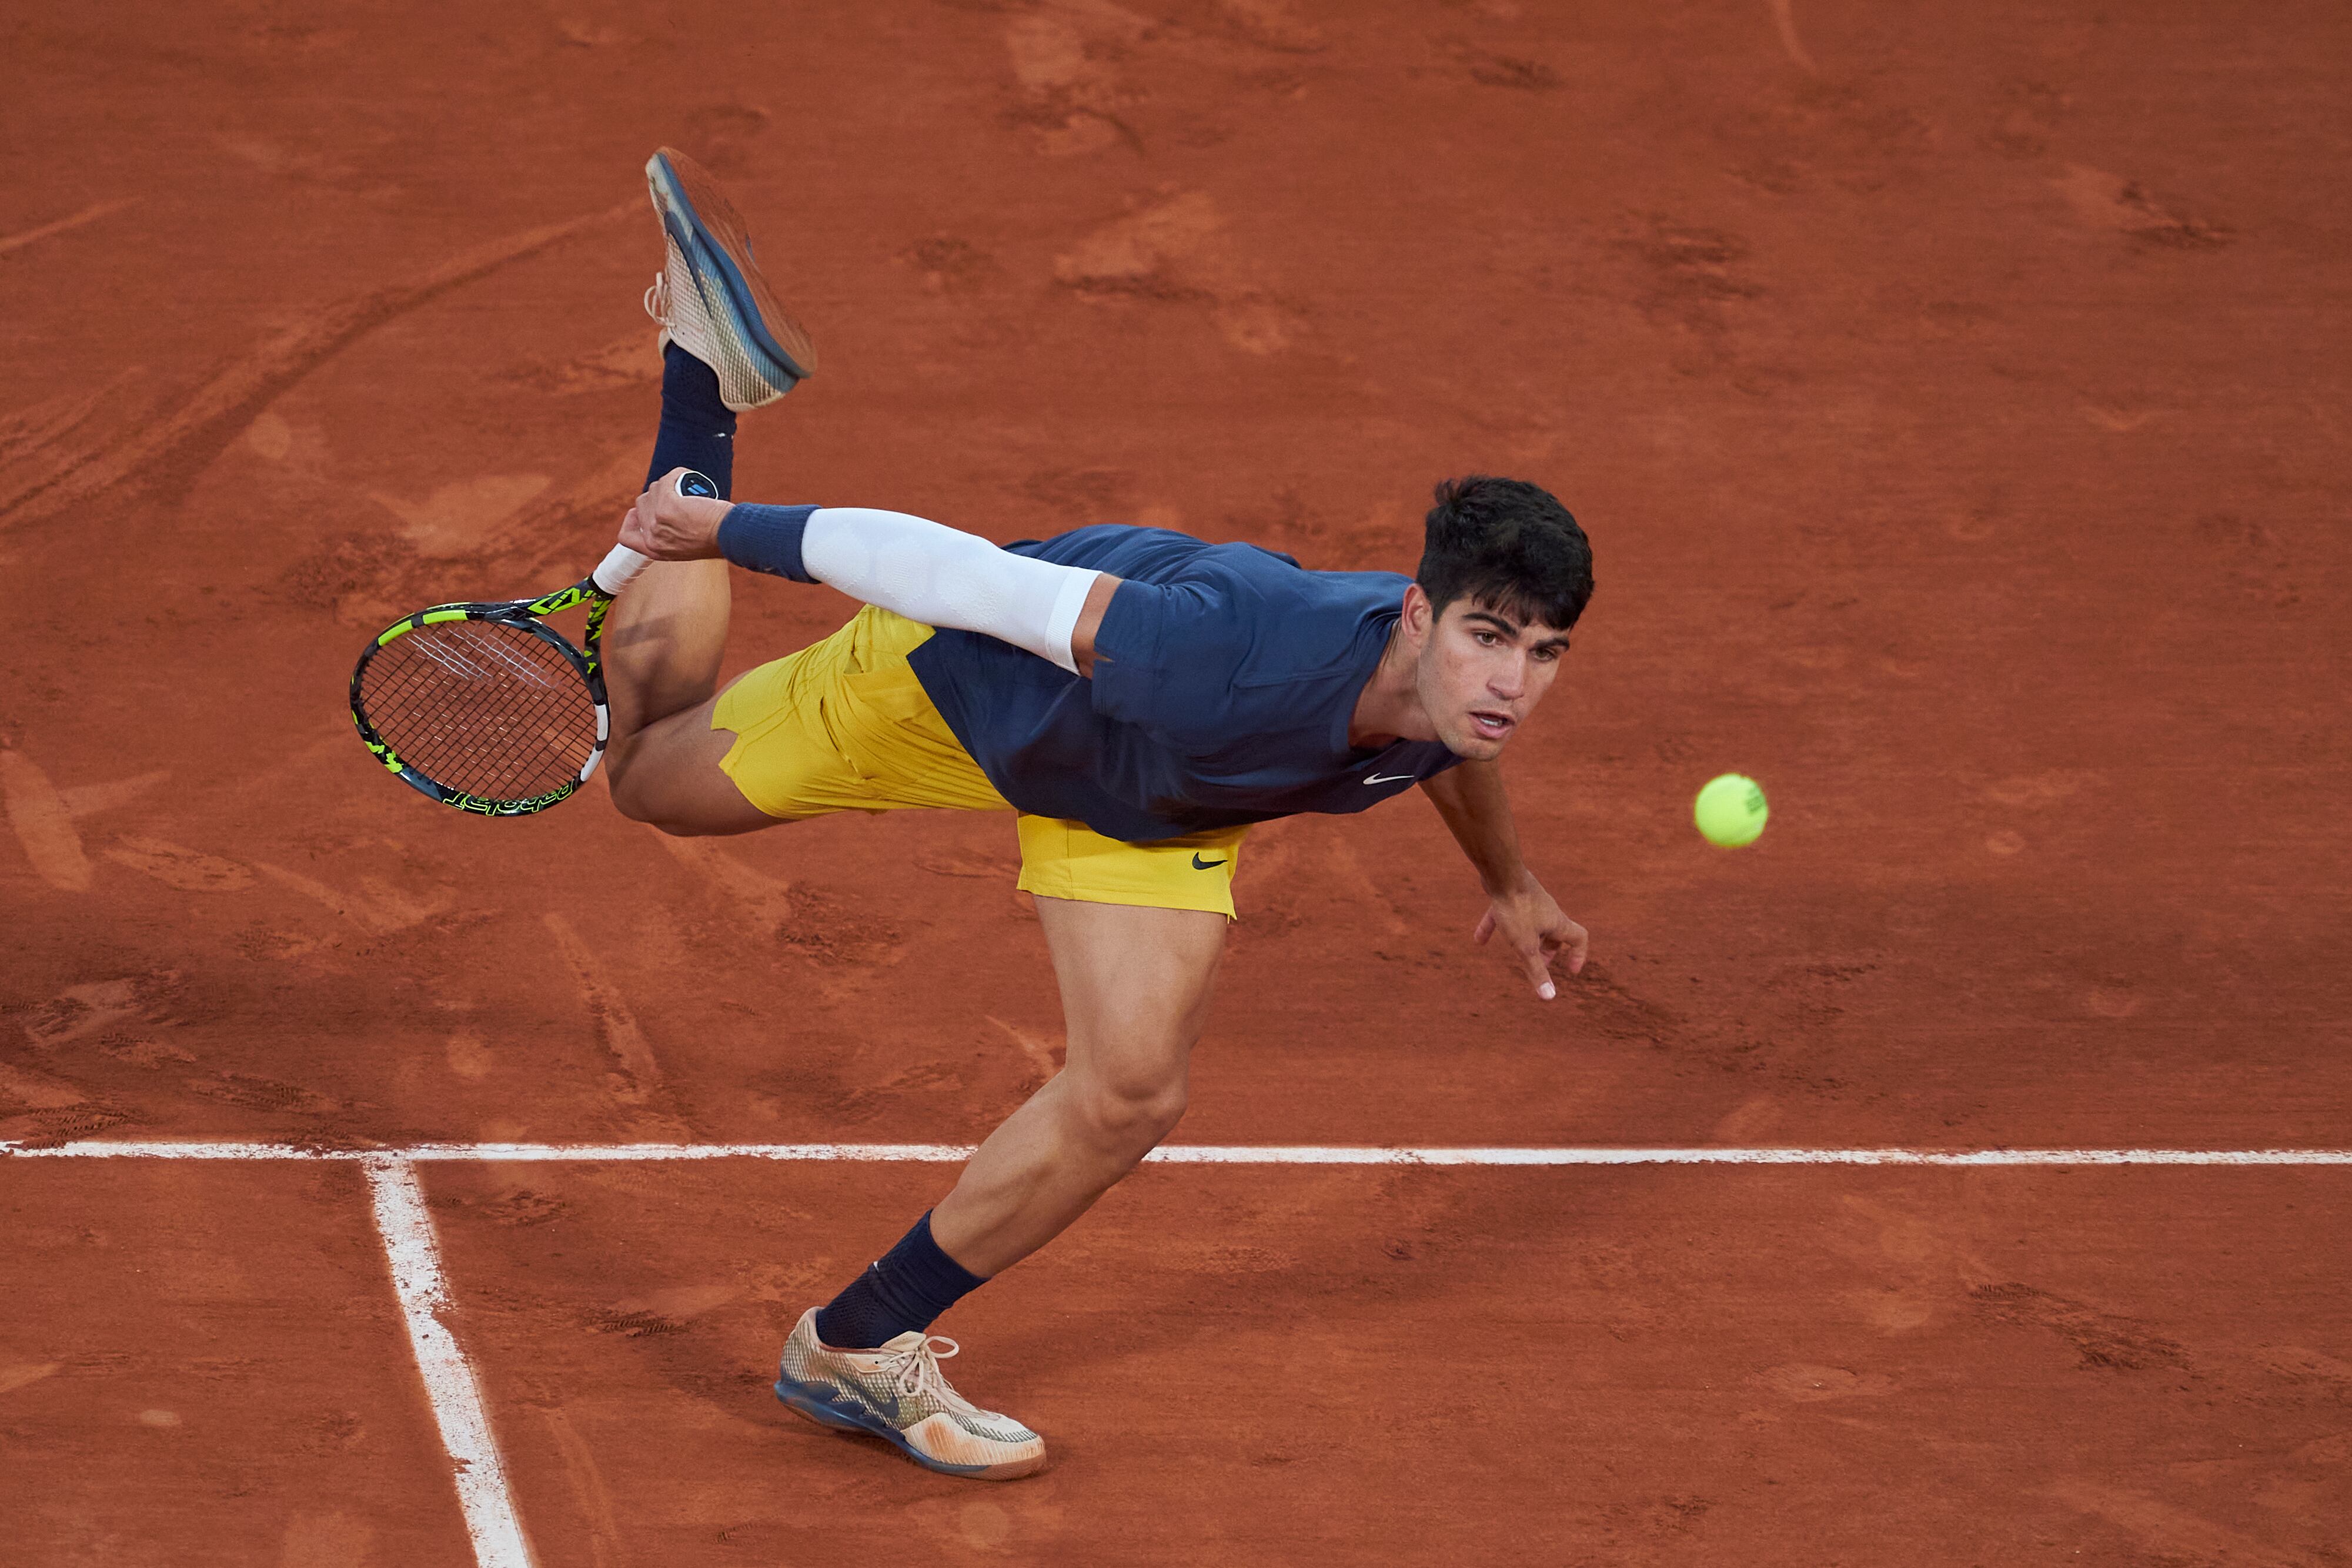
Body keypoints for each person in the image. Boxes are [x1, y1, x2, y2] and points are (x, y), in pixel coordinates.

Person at [607, 148, 1596, 1480]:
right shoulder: (1218, 650)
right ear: (1418, 616)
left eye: (1541, 654)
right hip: (960, 691)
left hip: (1146, 801)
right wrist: (719, 530)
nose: (1509, 685)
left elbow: (1449, 745)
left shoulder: (1445, 696)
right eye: (1487, 640)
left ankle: (852, 1345)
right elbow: (949, 570)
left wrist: (1513, 881)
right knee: (649, 779)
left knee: (1129, 1090)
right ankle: (700, 389)